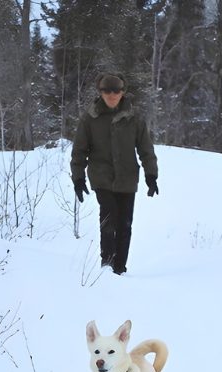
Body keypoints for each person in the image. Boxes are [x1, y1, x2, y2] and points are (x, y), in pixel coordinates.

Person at [71, 72, 159, 275]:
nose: (112, 95)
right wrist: (78, 178)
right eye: (107, 91)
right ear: (100, 92)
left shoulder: (134, 118)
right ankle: (107, 265)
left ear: (123, 92)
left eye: (116, 91)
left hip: (127, 178)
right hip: (102, 177)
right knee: (109, 217)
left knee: (125, 225)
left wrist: (151, 176)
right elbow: (79, 151)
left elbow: (146, 149)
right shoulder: (90, 118)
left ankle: (119, 268)